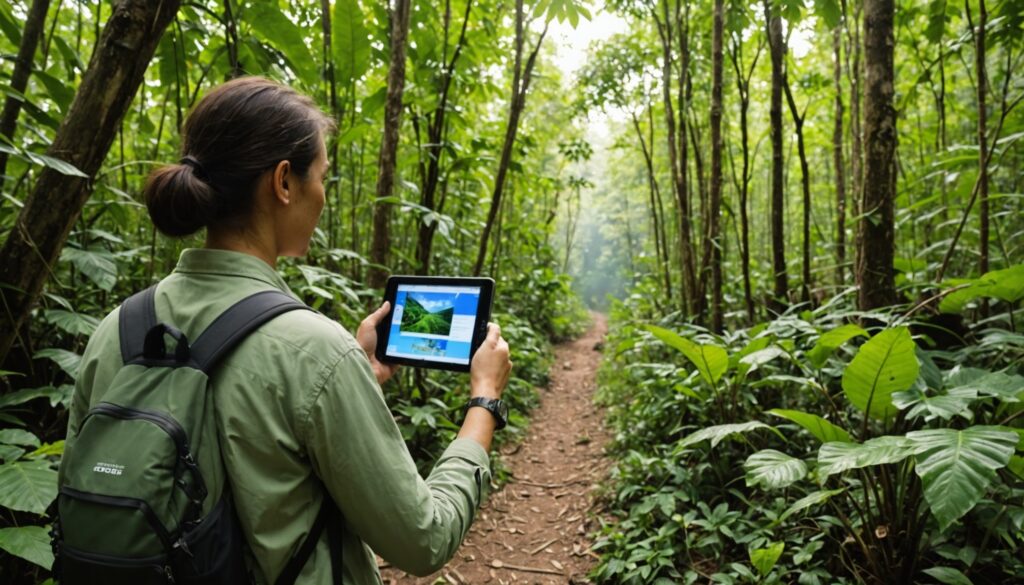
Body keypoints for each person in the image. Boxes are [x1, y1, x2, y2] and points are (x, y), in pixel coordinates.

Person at [63, 76, 513, 584]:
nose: (322, 194)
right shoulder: (316, 353)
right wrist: (484, 401)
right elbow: (423, 538)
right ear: (283, 182)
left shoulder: (115, 330)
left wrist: (352, 375)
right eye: (321, 175)